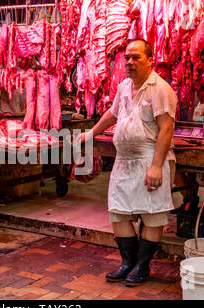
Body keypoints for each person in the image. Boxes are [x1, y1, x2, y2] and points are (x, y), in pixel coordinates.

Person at [76, 39, 177, 286]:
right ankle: (127, 263)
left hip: (149, 158)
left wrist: (156, 166)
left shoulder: (159, 88)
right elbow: (112, 114)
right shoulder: (123, 86)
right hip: (124, 160)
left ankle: (142, 267)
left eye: (136, 57)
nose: (130, 62)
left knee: (152, 215)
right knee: (118, 213)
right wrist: (92, 133)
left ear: (150, 60)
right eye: (127, 57)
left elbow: (167, 129)